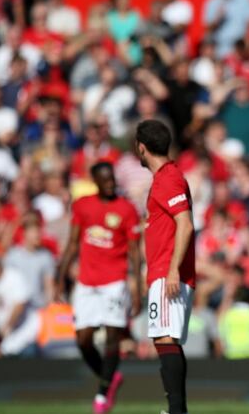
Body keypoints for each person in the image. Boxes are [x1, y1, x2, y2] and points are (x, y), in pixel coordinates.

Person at [55, 162, 142, 414]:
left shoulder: (126, 209)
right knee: (83, 340)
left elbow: (134, 251)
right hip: (86, 281)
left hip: (115, 281)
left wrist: (136, 286)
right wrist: (60, 276)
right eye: (104, 180)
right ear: (95, 181)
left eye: (112, 179)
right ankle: (110, 377)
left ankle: (102, 396)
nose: (110, 183)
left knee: (114, 334)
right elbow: (72, 243)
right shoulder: (83, 206)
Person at [135, 120, 196, 414]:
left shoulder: (168, 178)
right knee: (166, 339)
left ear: (141, 147)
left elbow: (185, 224)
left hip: (167, 271)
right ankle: (176, 409)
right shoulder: (167, 177)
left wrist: (172, 269)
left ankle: (177, 411)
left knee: (164, 338)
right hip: (164, 270)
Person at [0, 257, 40, 359]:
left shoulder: (14, 277)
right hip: (8, 340)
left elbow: (20, 305)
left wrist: (7, 325)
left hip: (26, 335)